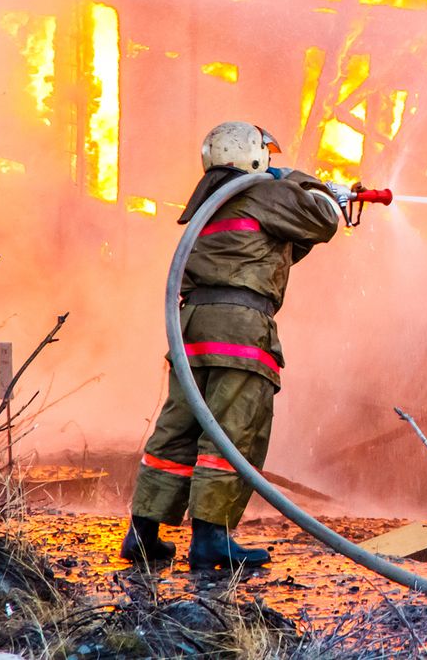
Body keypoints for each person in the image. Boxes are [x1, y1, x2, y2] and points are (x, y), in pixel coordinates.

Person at [120, 121, 347, 570]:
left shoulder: (209, 201)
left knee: (179, 429)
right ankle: (211, 540)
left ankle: (142, 535)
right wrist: (310, 185)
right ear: (255, 157)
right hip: (240, 328)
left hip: (193, 325)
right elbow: (321, 222)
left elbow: (270, 251)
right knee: (235, 428)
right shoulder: (262, 191)